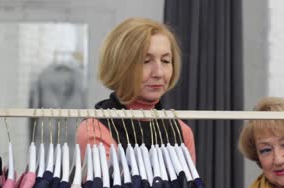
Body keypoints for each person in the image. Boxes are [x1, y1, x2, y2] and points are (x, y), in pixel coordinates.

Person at [76, 17, 195, 161]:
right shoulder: (95, 131)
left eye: (165, 61)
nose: (159, 73)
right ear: (119, 66)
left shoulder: (182, 132)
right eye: (145, 61)